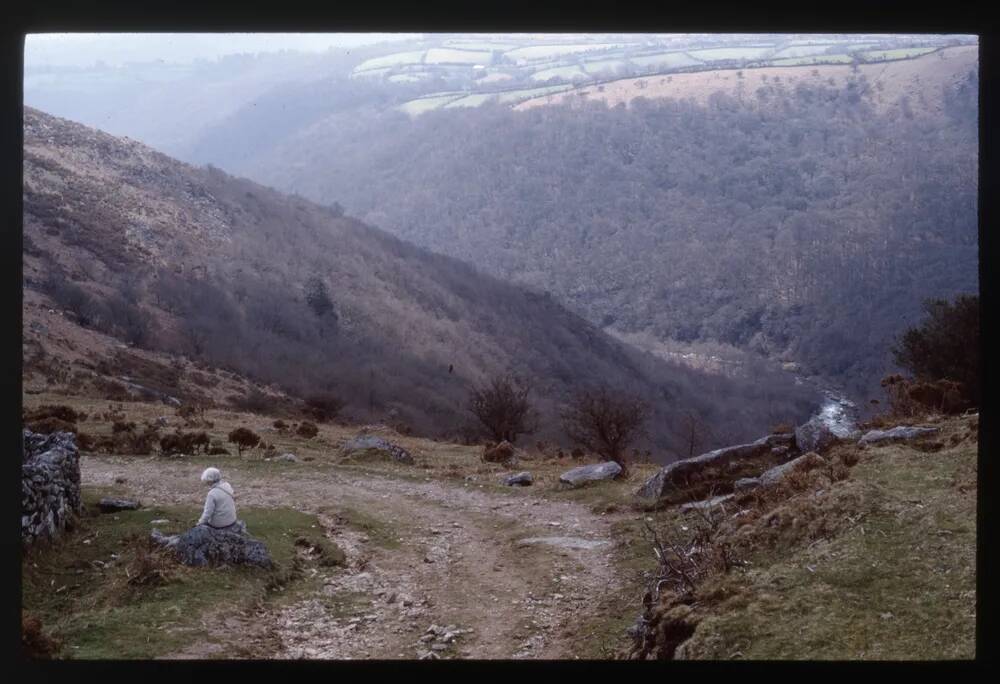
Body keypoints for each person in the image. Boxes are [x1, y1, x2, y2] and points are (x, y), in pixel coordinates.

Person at [197, 466, 242, 533]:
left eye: (206, 481)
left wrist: (199, 523)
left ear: (209, 480)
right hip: (232, 521)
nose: (206, 483)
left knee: (203, 526)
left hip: (219, 525)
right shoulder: (227, 485)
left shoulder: (211, 494)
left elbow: (207, 513)